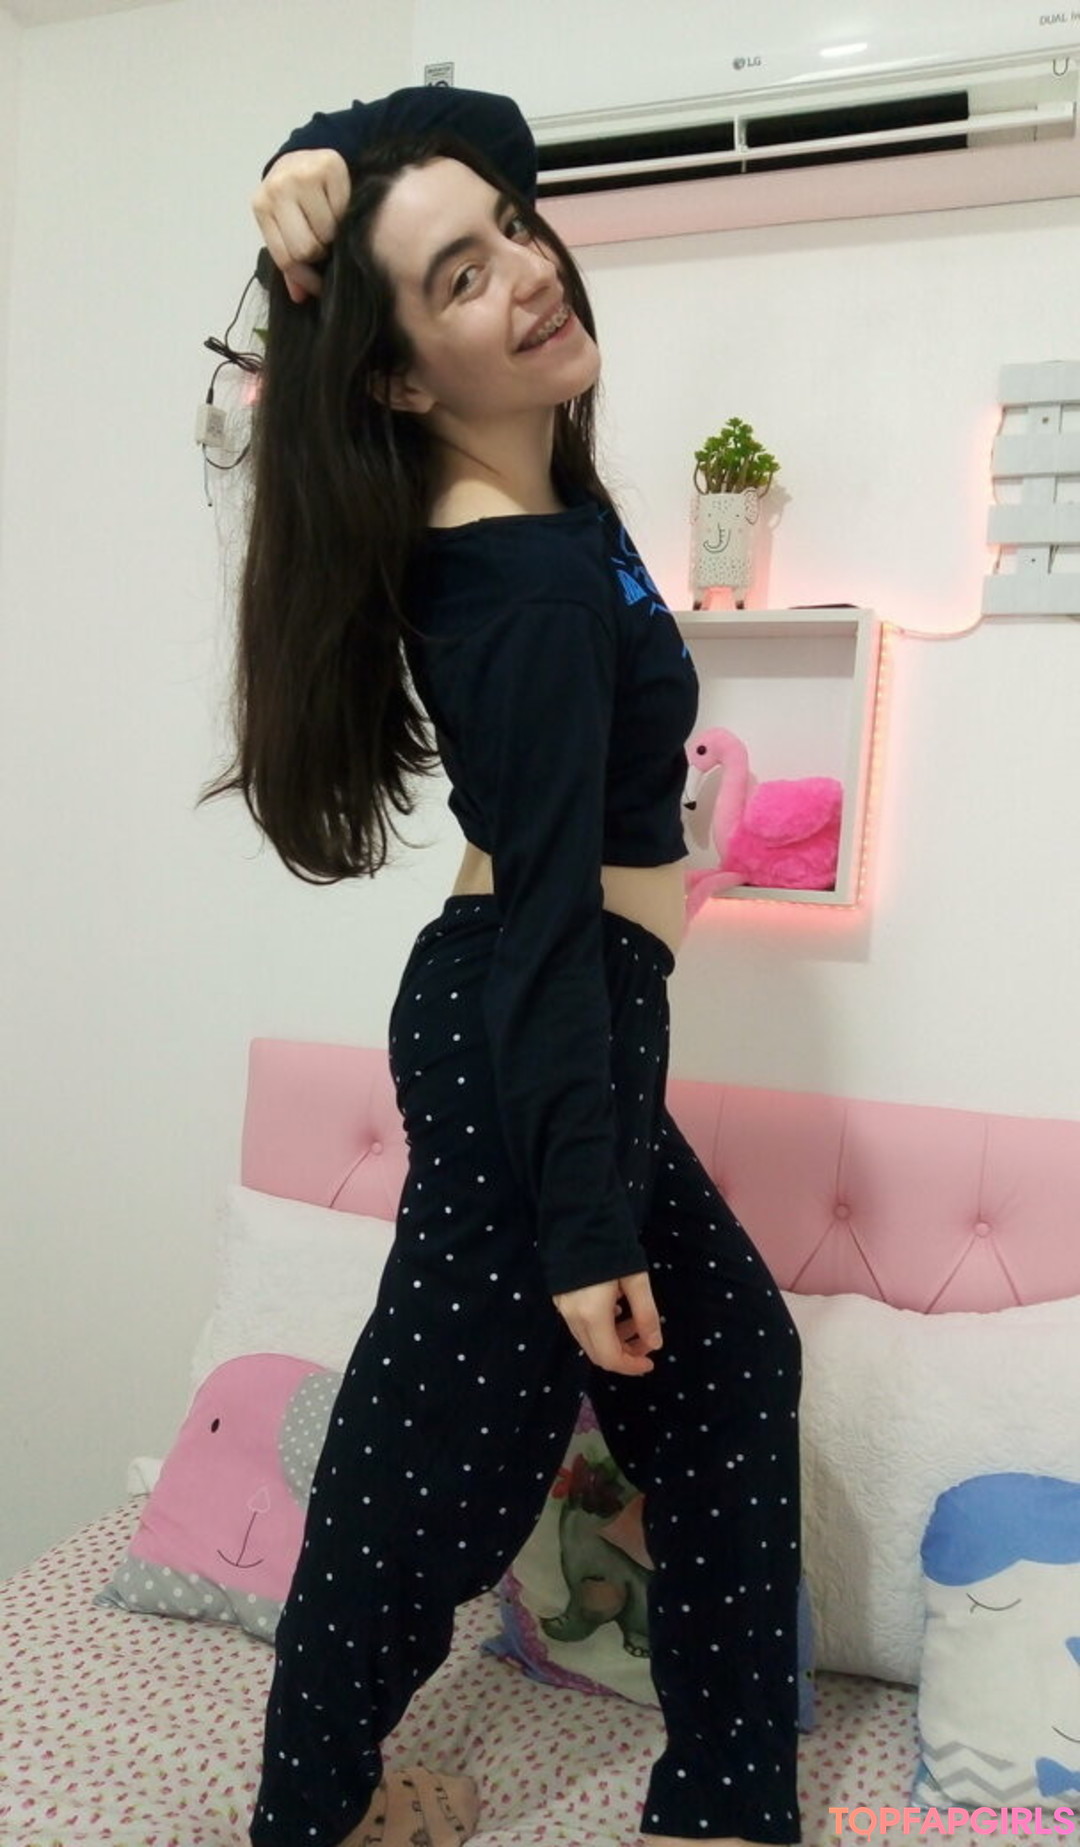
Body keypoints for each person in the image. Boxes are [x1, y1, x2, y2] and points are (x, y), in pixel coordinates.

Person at [205, 82, 802, 1847]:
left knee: (729, 1368)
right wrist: (586, 1229)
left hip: (557, 1023)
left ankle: (721, 1793)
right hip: (539, 1025)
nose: (529, 271)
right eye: (459, 278)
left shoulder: (532, 487)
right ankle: (311, 1814)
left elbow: (486, 127)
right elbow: (546, 923)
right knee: (436, 1476)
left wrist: (323, 156)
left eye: (516, 233)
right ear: (401, 380)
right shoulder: (519, 581)